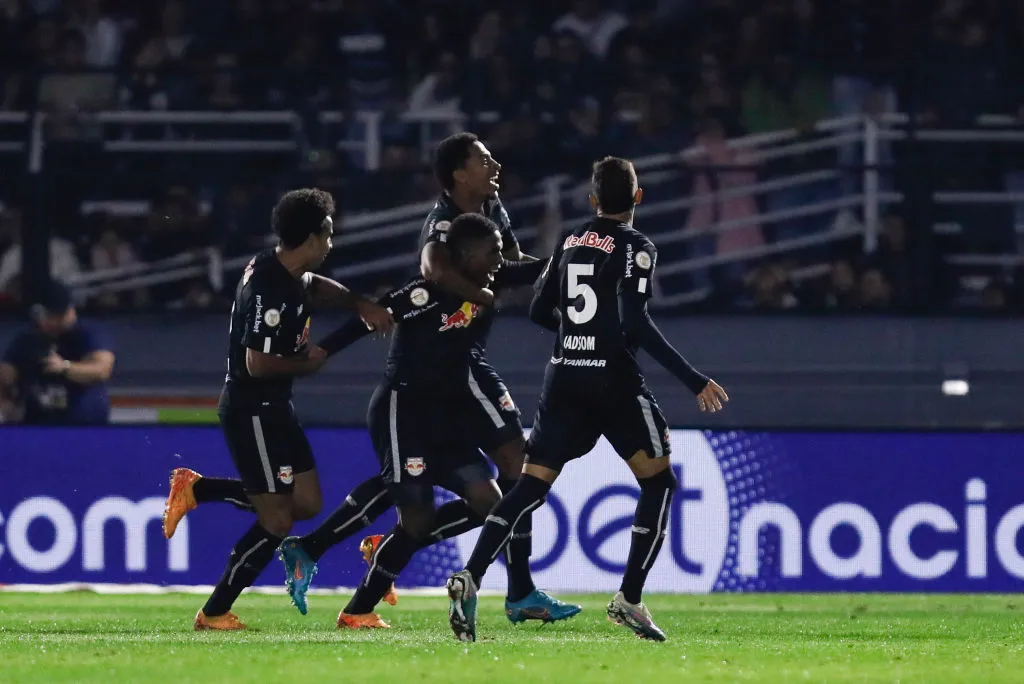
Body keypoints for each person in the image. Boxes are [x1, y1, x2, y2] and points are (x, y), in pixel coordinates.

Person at [446, 157, 730, 643]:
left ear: (593, 200)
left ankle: (470, 576)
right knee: (658, 485)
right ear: (638, 198)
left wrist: (578, 333)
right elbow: (636, 321)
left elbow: (538, 308)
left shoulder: (571, 239)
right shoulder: (638, 247)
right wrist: (693, 379)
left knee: (528, 489)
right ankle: (629, 599)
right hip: (613, 384)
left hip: (564, 379)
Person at [278, 213, 580, 629]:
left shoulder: (485, 280)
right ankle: (355, 606)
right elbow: (373, 315)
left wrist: (574, 254)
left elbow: (525, 268)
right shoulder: (426, 293)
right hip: (404, 412)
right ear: (465, 254)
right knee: (416, 517)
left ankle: (347, 579)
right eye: (492, 251)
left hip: (446, 415)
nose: (499, 259)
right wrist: (323, 351)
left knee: (492, 507)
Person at [160, 188, 394, 631]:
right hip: (252, 409)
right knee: (277, 519)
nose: (331, 242)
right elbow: (259, 363)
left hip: (275, 405)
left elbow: (314, 287)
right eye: (328, 234)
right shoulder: (271, 289)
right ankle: (214, 612)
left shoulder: (285, 271)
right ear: (313, 236)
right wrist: (309, 363)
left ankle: (199, 490)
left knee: (306, 502)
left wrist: (357, 303)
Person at [415, 132, 544, 612]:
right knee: (514, 463)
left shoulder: (493, 210)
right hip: (448, 361)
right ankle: (521, 592)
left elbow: (510, 265)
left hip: (467, 356)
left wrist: (559, 268)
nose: (496, 165)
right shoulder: (443, 222)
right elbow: (431, 266)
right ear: (458, 174)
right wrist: (481, 295)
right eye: (484, 159)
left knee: (504, 472)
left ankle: (520, 590)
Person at [0, 280, 114, 425]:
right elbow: (5, 375)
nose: (55, 321)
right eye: (51, 316)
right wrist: (5, 403)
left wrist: (65, 367)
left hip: (84, 427)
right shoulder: (28, 339)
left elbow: (102, 370)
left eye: (60, 315)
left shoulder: (88, 334)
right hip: (38, 426)